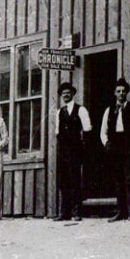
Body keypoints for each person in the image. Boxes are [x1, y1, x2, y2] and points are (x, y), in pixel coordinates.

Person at [101, 78, 130, 222]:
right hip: (115, 148)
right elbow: (103, 131)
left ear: (127, 93)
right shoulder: (109, 110)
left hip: (129, 148)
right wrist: (106, 143)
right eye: (118, 91)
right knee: (118, 180)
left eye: (123, 91)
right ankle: (121, 211)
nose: (121, 94)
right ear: (114, 93)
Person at [54, 82, 92, 222]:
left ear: (72, 93)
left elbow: (87, 130)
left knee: (75, 180)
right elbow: (57, 132)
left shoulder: (81, 110)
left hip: (76, 150)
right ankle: (64, 213)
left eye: (68, 92)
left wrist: (83, 150)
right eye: (63, 93)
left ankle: (77, 212)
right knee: (63, 181)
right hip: (63, 151)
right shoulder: (59, 112)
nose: (66, 95)